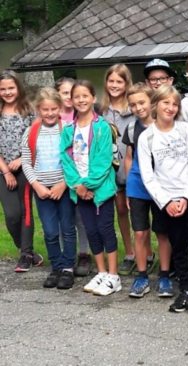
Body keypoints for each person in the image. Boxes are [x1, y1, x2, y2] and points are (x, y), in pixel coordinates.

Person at [137, 85, 188, 313]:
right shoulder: (147, 137)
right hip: (166, 200)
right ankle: (186, 288)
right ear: (155, 105)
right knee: (178, 243)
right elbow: (148, 176)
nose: (170, 108)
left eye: (174, 104)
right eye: (165, 103)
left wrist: (186, 198)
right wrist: (167, 201)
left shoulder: (186, 130)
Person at [60, 80, 121, 296]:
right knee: (91, 231)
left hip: (100, 191)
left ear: (93, 98)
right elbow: (66, 159)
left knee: (105, 230)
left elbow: (103, 161)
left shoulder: (102, 127)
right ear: (72, 100)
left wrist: (89, 185)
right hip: (80, 192)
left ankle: (114, 276)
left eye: (85, 96)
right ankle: (102, 272)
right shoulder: (69, 130)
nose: (81, 100)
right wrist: (78, 186)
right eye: (77, 97)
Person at [21, 87, 76, 289]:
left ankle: (68, 267)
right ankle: (56, 266)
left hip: (64, 187)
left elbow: (75, 159)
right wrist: (37, 185)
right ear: (38, 110)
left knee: (68, 229)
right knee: (50, 231)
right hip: (42, 190)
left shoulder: (68, 129)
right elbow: (26, 161)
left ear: (60, 108)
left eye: (54, 109)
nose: (50, 113)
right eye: (45, 109)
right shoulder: (31, 132)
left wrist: (63, 184)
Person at [124, 82, 173, 298]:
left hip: (161, 185)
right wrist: (127, 188)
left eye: (141, 102)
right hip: (137, 186)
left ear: (151, 101)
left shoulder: (165, 124)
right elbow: (128, 158)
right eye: (133, 104)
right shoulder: (131, 128)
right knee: (140, 232)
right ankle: (142, 275)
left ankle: (164, 275)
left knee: (163, 232)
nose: (138, 108)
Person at [0, 70, 41, 272]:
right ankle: (26, 250)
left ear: (18, 88)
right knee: (11, 214)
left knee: (25, 212)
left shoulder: (29, 110)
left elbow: (35, 141)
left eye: (11, 88)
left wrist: (20, 159)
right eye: (3, 89)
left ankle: (26, 253)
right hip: (3, 171)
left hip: (25, 168)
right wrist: (6, 171)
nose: (7, 92)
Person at [100, 64, 137, 276]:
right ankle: (129, 253)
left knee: (138, 213)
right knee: (121, 210)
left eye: (119, 81)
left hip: (131, 168)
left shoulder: (132, 109)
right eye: (111, 81)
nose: (114, 85)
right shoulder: (101, 110)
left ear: (126, 84)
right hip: (110, 172)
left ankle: (147, 252)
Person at [55, 77, 92, 277]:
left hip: (80, 177)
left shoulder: (84, 118)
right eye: (65, 93)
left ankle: (84, 253)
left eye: (73, 93)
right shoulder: (52, 116)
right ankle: (64, 254)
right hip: (59, 175)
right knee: (64, 218)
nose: (70, 97)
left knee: (81, 218)